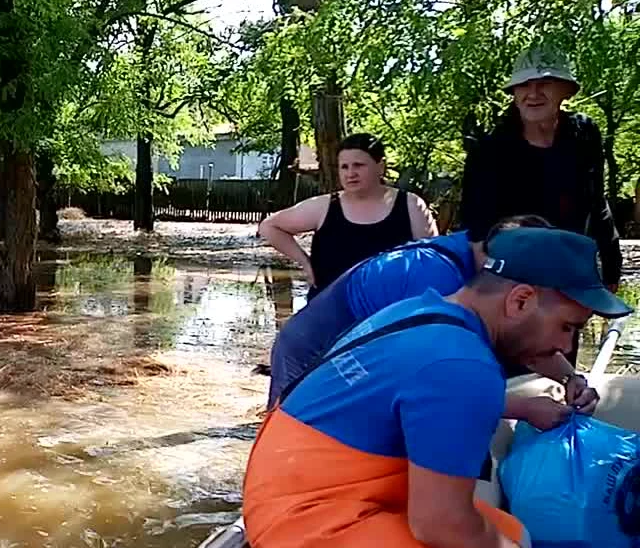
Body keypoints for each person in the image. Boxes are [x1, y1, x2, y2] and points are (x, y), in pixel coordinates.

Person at [244, 227, 632, 548]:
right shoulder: (462, 366)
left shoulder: (425, 310)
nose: (566, 347)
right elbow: (441, 525)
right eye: (567, 327)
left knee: (518, 537)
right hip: (305, 523)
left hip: (315, 487)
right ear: (520, 301)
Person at [266, 214, 599, 423]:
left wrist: (570, 378)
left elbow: (526, 336)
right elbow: (433, 384)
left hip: (356, 346)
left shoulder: (481, 267)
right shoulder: (435, 276)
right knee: (287, 426)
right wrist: (523, 409)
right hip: (310, 349)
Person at [461, 44, 622, 338]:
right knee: (518, 370)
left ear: (566, 91)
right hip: (513, 282)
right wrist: (495, 307)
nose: (533, 94)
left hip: (570, 276)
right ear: (513, 93)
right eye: (523, 85)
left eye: (544, 84)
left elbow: (597, 204)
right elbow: (477, 236)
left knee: (560, 359)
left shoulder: (584, 135)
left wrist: (611, 269)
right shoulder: (490, 152)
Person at [259, 133, 437, 299]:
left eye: (359, 165)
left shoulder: (410, 205)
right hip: (330, 311)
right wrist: (305, 262)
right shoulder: (323, 207)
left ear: (380, 166)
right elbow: (269, 226)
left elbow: (433, 259)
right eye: (344, 167)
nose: (350, 173)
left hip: (391, 310)